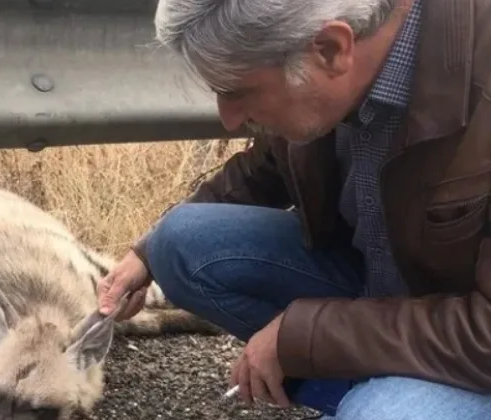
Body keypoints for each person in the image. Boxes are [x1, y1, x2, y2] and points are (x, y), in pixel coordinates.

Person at [96, 0, 491, 418]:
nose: (228, 120)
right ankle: (366, 392)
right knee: (176, 242)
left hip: (473, 343)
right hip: (379, 290)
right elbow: (271, 163)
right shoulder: (330, 63)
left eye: (238, 92)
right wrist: (146, 251)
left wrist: (306, 335)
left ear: (331, 49)